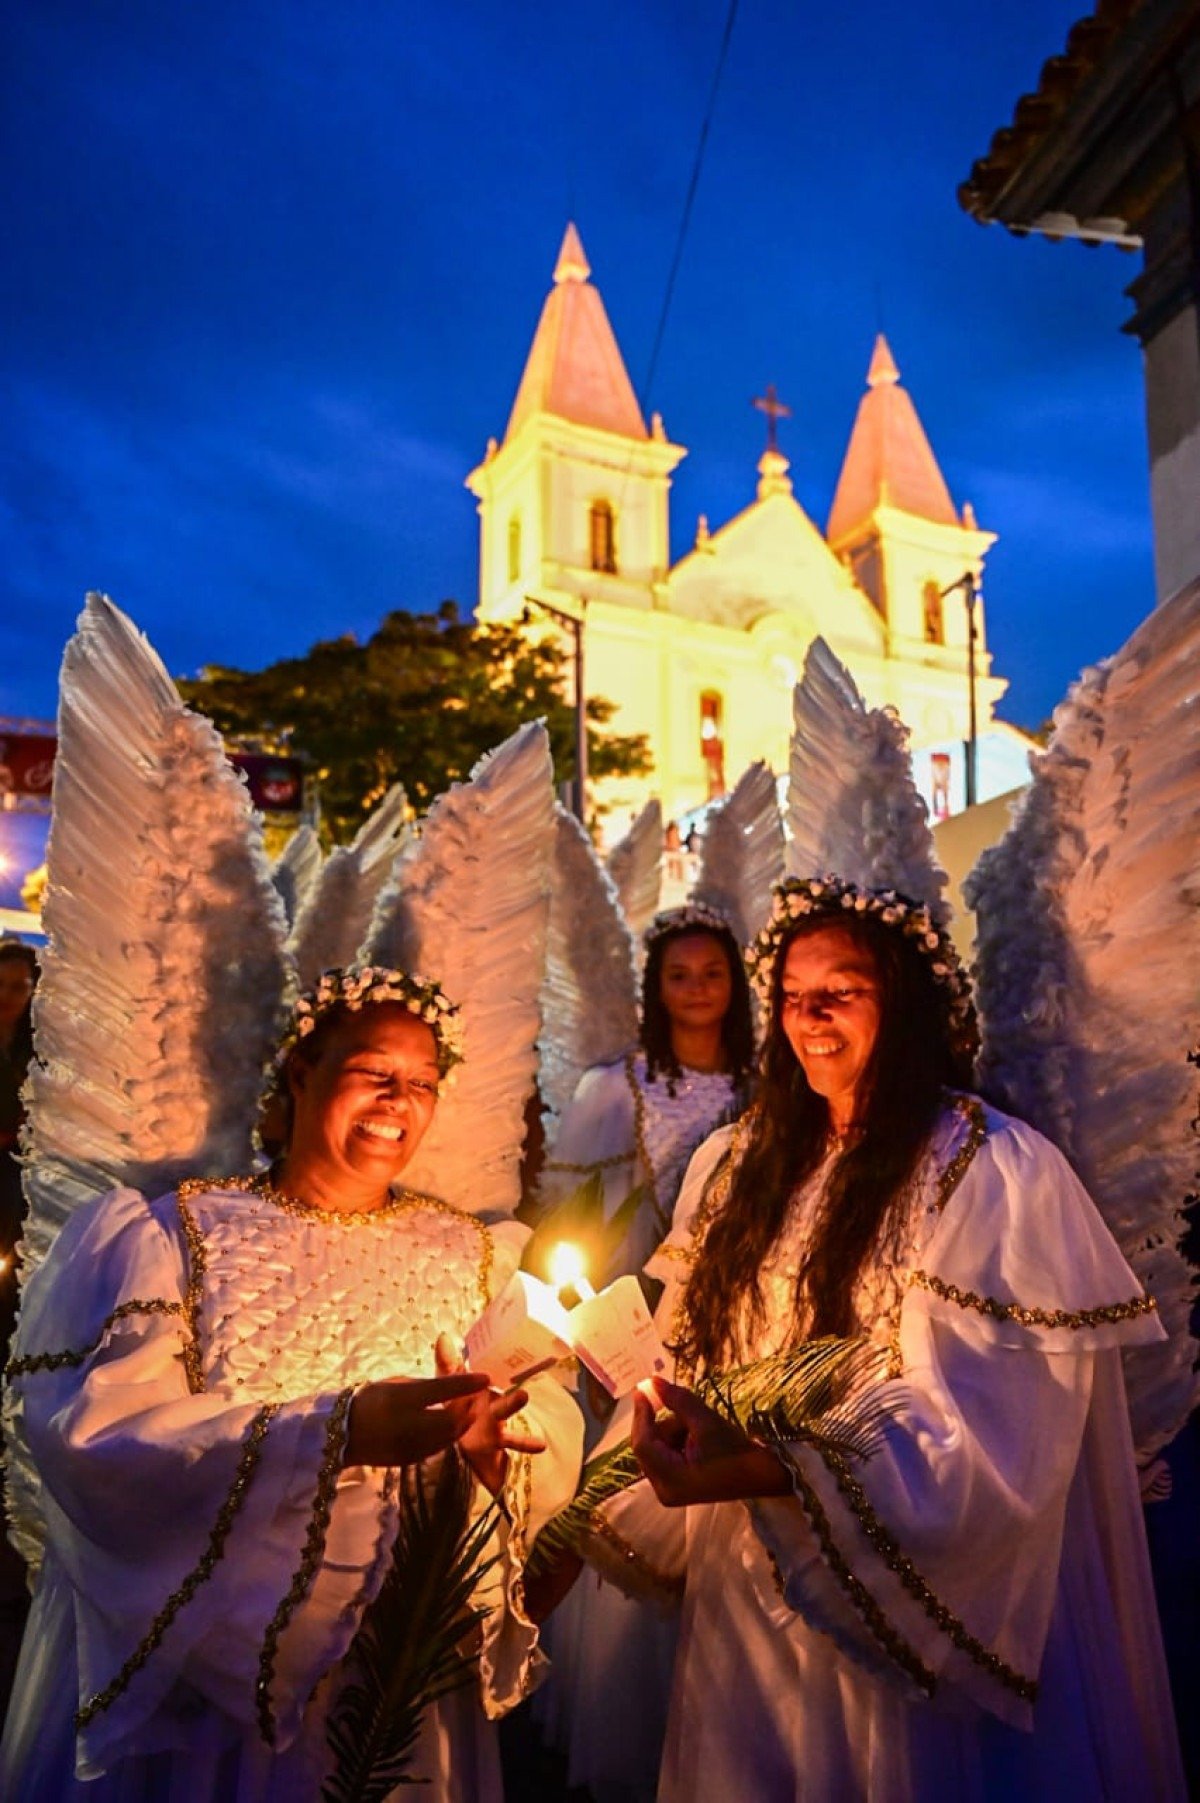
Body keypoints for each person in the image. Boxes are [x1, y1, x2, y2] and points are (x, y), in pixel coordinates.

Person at [569, 876, 1184, 1801]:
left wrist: (774, 1469)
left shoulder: (988, 1168)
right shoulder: (736, 1165)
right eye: (790, 994)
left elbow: (993, 1434)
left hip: (892, 1604)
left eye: (841, 991)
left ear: (903, 1004)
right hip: (743, 1599)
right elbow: (688, 1355)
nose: (809, 1015)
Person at [1, 965, 583, 1801]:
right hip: (212, 1695)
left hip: (393, 1668)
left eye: (422, 1083)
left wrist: (495, 1458)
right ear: (301, 1073)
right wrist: (335, 1431)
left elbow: (542, 1423)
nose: (398, 1101)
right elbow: (108, 1447)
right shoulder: (177, 1234)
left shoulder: (472, 1254)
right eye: (373, 1072)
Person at [533, 906, 755, 1799]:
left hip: (727, 1319)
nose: (698, 988)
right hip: (630, 1322)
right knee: (629, 1489)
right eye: (679, 973)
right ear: (653, 988)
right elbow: (572, 1222)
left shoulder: (768, 1083)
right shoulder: (612, 1088)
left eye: (712, 972)